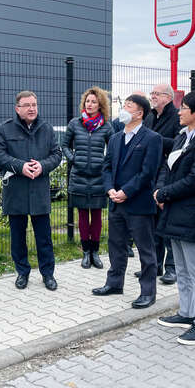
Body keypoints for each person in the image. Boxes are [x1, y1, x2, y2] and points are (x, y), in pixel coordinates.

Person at [154, 91, 195, 345]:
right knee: (181, 268)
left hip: (192, 211)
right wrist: (160, 190)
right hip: (173, 209)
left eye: (183, 108)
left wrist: (164, 193)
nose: (179, 112)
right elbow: (166, 168)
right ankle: (186, 312)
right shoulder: (183, 138)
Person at [93, 94, 162, 309]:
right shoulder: (115, 138)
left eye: (128, 106)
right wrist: (110, 189)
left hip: (138, 204)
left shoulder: (152, 138)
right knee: (116, 246)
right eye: (123, 105)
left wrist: (126, 192)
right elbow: (107, 167)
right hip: (116, 202)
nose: (123, 109)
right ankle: (114, 283)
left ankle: (148, 292)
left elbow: (147, 173)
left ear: (139, 113)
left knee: (145, 249)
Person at [0, 91, 62, 291]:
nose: (32, 108)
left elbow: (56, 154)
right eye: (27, 105)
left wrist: (43, 166)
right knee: (18, 237)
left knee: (44, 237)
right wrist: (19, 166)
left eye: (34, 104)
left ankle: (48, 274)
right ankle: (22, 272)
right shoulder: (5, 129)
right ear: (17, 108)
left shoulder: (46, 128)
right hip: (16, 191)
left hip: (39, 191)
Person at [62, 87, 113, 269]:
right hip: (79, 176)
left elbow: (113, 150)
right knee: (83, 214)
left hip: (99, 177)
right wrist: (74, 158)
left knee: (97, 215)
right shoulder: (75, 124)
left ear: (100, 105)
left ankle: (95, 253)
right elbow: (64, 145)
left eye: (93, 102)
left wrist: (104, 162)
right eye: (87, 101)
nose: (89, 105)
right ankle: (85, 253)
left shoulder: (107, 126)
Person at [145, 83, 181, 285]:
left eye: (156, 94)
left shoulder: (176, 118)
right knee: (153, 224)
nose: (153, 97)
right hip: (151, 173)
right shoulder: (150, 116)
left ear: (168, 97)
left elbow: (178, 143)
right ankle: (155, 264)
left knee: (167, 223)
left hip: (168, 173)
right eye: (152, 94)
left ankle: (172, 268)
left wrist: (156, 140)